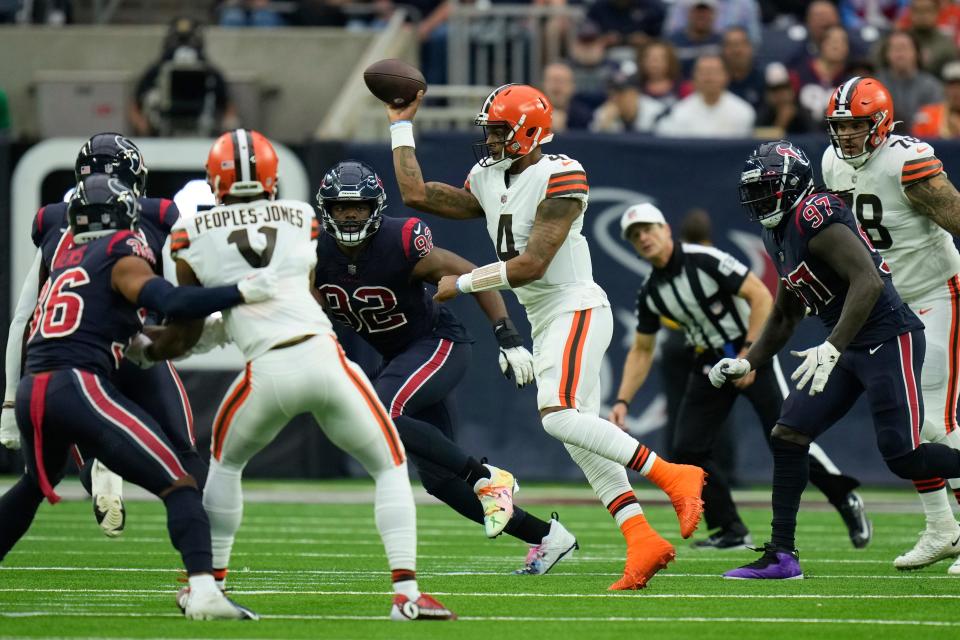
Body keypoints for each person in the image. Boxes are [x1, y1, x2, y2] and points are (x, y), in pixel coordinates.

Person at [384, 84, 707, 591]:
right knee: (584, 444)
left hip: (576, 304)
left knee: (557, 414)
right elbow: (416, 194)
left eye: (498, 130)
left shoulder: (561, 173)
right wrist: (400, 124)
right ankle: (642, 540)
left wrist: (463, 282)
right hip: (546, 318)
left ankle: (673, 475)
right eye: (488, 130)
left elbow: (533, 266)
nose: (489, 139)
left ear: (528, 132)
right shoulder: (487, 177)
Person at [169, 130, 454, 620]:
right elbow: (296, 288)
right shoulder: (301, 218)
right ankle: (406, 593)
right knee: (388, 465)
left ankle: (208, 586)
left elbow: (186, 326)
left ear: (216, 181)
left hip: (267, 370)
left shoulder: (190, 234)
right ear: (272, 178)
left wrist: (157, 346)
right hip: (325, 359)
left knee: (225, 463)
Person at [0, 173, 271, 618]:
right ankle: (204, 593)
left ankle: (103, 471)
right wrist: (240, 293)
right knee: (180, 481)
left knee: (31, 487)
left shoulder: (65, 255)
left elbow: (121, 335)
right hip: (77, 384)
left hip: (36, 387)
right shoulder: (118, 253)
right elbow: (171, 299)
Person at [314, 159, 578, 574]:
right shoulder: (315, 255)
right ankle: (547, 538)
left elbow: (470, 273)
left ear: (375, 208)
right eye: (341, 208)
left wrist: (506, 336)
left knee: (382, 414)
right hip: (399, 357)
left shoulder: (400, 242)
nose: (349, 216)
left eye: (359, 207)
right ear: (325, 210)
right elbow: (302, 310)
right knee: (438, 480)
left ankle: (490, 476)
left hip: (436, 344)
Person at [712, 139, 960, 579]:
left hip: (888, 337)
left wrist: (832, 347)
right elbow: (787, 312)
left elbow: (867, 280)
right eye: (755, 189)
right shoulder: (779, 229)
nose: (759, 198)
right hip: (845, 345)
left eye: (768, 187)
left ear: (792, 185)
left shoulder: (815, 215)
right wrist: (750, 361)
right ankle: (782, 556)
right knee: (788, 434)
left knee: (904, 456)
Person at [610, 202, 869, 550]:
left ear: (665, 229)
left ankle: (844, 498)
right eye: (635, 235)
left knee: (787, 435)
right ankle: (730, 528)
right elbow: (641, 349)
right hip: (708, 364)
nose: (643, 238)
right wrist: (623, 400)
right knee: (686, 449)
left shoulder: (704, 259)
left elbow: (759, 295)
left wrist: (750, 355)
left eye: (648, 229)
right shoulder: (651, 291)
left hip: (748, 351)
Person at [1, 134, 205, 539]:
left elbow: (24, 317)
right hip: (133, 345)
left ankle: (101, 464)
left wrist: (9, 401)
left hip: (70, 360)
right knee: (184, 458)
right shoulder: (157, 214)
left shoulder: (55, 222)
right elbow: (173, 288)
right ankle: (207, 570)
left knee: (39, 479)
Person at [823, 76, 960, 574]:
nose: (846, 136)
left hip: (935, 291)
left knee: (934, 417)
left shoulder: (907, 159)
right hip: (890, 303)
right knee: (905, 420)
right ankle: (943, 529)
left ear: (879, 122)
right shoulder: (832, 161)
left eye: (856, 125)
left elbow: (955, 214)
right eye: (839, 126)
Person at [129, 17, 238, 137]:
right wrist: (140, 121)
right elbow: (138, 96)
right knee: (152, 97)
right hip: (165, 120)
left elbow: (226, 100)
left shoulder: (209, 71)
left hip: (202, 119)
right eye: (180, 40)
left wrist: (229, 120)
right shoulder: (159, 68)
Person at [654, 55, 755, 137]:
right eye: (703, 72)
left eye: (714, 72)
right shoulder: (679, 112)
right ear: (694, 78)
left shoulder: (743, 112)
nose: (709, 77)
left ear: (726, 77)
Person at [876, 30, 943, 132]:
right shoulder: (877, 85)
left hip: (923, 141)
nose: (900, 53)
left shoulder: (931, 85)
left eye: (904, 48)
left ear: (916, 53)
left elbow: (935, 120)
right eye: (895, 49)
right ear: (886, 54)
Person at [589, 61, 667, 133]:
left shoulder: (656, 112)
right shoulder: (604, 112)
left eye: (621, 94)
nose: (614, 98)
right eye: (612, 93)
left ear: (635, 94)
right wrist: (604, 125)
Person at [667, 0, 723, 79]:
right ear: (688, 14)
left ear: (713, 15)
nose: (701, 16)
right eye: (697, 12)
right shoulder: (673, 42)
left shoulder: (722, 41)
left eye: (705, 12)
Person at [913, 59, 960, 138]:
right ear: (945, 88)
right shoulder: (927, 115)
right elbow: (915, 145)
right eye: (952, 86)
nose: (957, 91)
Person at [541, 62, 593, 131]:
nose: (557, 86)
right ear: (543, 84)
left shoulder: (585, 116)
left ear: (573, 87)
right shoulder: (530, 115)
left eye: (562, 81)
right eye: (552, 80)